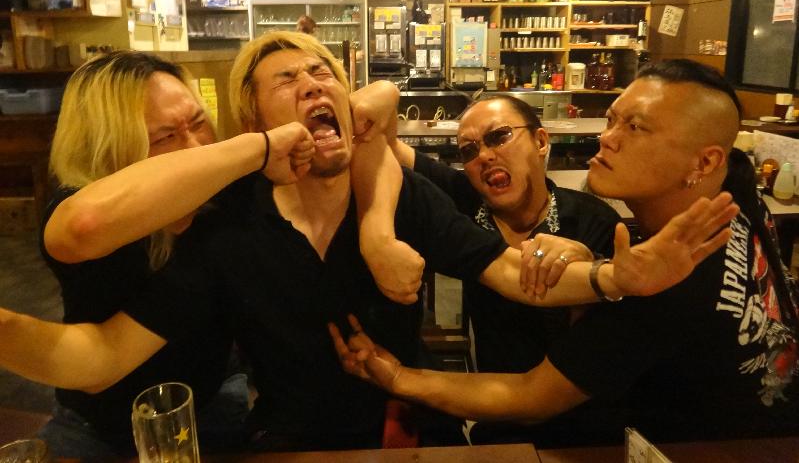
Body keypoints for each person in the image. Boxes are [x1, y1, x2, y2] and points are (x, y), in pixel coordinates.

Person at [0, 38, 735, 452]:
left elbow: (510, 270)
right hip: (279, 440)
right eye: (285, 80)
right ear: (253, 118)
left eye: (322, 72)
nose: (310, 84)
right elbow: (102, 353)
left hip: (394, 430)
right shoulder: (227, 223)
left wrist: (611, 277)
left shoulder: (398, 191)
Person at [331, 59, 799, 447]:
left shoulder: (661, 275)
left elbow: (534, 396)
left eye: (635, 127)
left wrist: (397, 378)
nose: (607, 138)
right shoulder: (738, 195)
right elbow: (381, 138)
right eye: (612, 120)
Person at [34, 50, 315, 458]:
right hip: (95, 425)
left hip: (210, 403)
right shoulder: (82, 204)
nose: (196, 146)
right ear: (110, 149)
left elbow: (368, 109)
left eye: (199, 123)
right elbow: (84, 226)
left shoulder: (221, 201)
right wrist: (261, 147)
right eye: (165, 137)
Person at [351, 85, 620, 372]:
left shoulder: (593, 220)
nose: (483, 156)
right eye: (469, 150)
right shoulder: (466, 199)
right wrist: (387, 89)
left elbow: (610, 342)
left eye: (499, 136)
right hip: (487, 389)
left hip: (572, 390)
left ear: (540, 141)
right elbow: (383, 142)